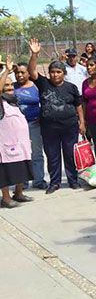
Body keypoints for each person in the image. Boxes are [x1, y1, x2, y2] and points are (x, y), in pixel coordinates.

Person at [27, 39, 86, 194]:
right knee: (52, 156)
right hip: (49, 128)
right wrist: (34, 55)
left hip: (69, 126)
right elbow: (31, 71)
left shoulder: (71, 88)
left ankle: (73, 180)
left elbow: (78, 105)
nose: (55, 74)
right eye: (53, 71)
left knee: (69, 154)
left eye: (58, 72)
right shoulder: (43, 84)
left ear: (63, 74)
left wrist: (82, 123)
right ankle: (55, 183)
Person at [0, 57, 34, 208]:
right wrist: (6, 70)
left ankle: (19, 194)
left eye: (10, 86)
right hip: (6, 148)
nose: (9, 88)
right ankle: (6, 199)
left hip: (21, 146)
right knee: (5, 173)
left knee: (22, 170)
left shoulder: (14, 101)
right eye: (5, 86)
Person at [14, 62, 46, 189]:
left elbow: (45, 102)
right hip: (17, 127)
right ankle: (23, 182)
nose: (19, 75)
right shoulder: (12, 87)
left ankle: (38, 180)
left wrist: (42, 117)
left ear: (28, 73)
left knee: (36, 153)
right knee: (20, 154)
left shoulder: (36, 86)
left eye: (22, 72)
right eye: (17, 73)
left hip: (34, 124)